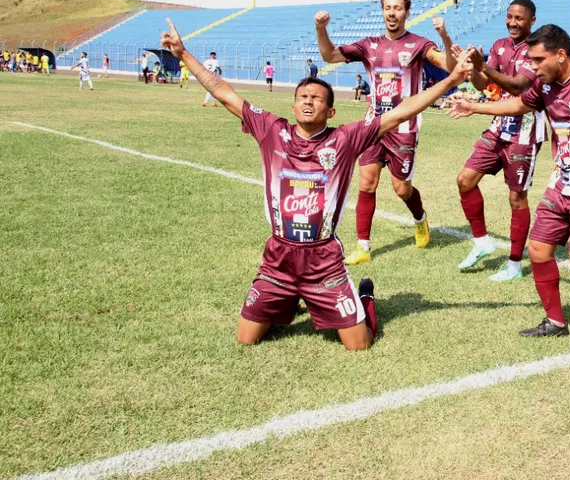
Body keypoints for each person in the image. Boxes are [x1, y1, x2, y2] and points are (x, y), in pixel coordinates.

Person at [159, 18, 474, 349]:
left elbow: (400, 112)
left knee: (359, 344)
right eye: (303, 96)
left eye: (317, 98)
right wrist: (183, 54)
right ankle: (288, 297)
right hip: (278, 255)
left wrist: (451, 79)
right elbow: (225, 94)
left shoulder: (346, 139)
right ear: (293, 105)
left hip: (323, 258)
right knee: (246, 339)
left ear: (331, 109)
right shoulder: (271, 130)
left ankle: (363, 295)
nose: (309, 101)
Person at [447, 24, 570, 338]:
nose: (532, 66)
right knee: (539, 250)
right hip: (561, 181)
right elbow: (519, 104)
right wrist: (475, 107)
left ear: (560, 55)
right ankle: (556, 321)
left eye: (537, 59)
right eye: (530, 60)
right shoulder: (545, 85)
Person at [315, 0, 457, 265]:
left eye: (397, 8)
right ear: (382, 11)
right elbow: (330, 56)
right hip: (373, 125)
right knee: (367, 183)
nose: (392, 13)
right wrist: (321, 28)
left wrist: (444, 36)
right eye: (387, 8)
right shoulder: (369, 46)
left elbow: (449, 65)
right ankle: (363, 247)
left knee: (401, 189)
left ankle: (420, 218)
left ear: (406, 12)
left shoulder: (419, 44)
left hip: (404, 126)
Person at [452, 0, 546, 282]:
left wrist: (486, 67)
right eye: (509, 16)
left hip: (525, 131)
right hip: (498, 125)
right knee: (465, 180)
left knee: (516, 197)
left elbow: (519, 86)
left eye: (519, 18)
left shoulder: (537, 51)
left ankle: (515, 264)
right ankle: (482, 241)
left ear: (531, 20)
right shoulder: (499, 46)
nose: (512, 22)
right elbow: (485, 84)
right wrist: (473, 68)